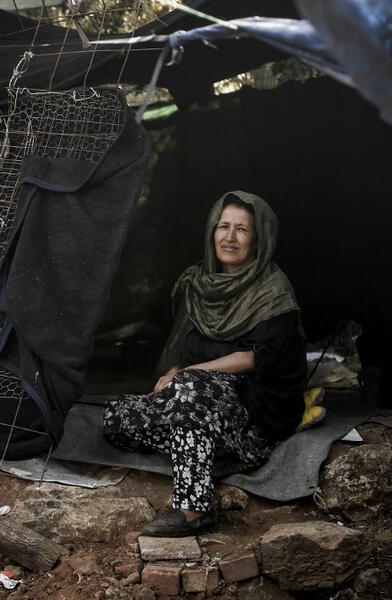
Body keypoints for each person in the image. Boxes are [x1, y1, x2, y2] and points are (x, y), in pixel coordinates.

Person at [103, 191, 306, 537]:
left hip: (253, 414)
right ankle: (207, 449)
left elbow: (252, 358)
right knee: (117, 416)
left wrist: (185, 375)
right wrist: (173, 372)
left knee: (189, 389)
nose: (229, 237)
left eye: (242, 230)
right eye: (222, 226)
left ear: (258, 239)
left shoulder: (272, 291)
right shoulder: (200, 284)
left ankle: (194, 508)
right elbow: (188, 352)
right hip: (197, 404)